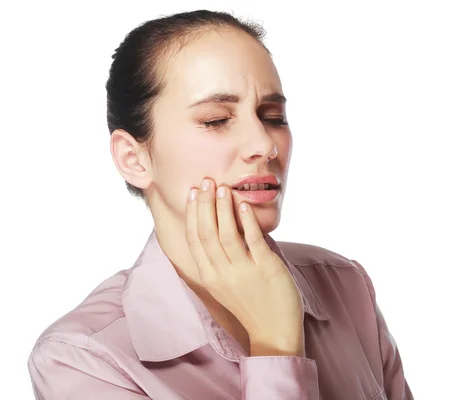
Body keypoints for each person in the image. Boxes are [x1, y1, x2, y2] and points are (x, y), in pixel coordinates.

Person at [27, 9, 413, 400]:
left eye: (272, 116)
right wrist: (275, 345)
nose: (265, 145)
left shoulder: (345, 285)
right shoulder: (83, 359)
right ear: (134, 158)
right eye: (216, 120)